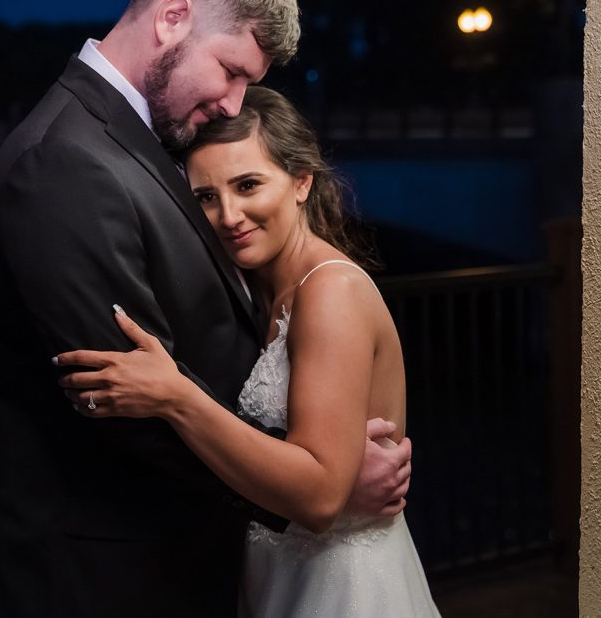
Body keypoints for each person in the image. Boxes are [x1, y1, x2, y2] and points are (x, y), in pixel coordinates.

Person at [0, 0, 411, 615]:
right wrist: (314, 492)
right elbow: (127, 413)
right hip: (98, 578)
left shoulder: (138, 138)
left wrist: (313, 479)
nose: (236, 105)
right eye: (231, 70)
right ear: (173, 18)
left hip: (174, 563)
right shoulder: (64, 160)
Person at [58, 86, 439, 616]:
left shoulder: (331, 292)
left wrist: (176, 397)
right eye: (206, 197)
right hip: (276, 575)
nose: (229, 215)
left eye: (248, 185)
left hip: (342, 586)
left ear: (301, 182)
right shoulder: (261, 290)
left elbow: (320, 497)